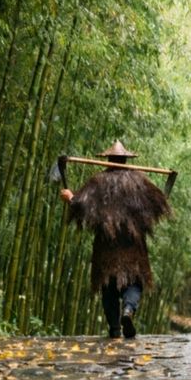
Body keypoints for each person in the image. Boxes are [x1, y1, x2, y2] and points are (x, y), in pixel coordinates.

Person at [59, 139, 171, 339]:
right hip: (134, 246)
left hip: (106, 247)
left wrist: (70, 198)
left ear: (108, 160)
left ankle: (114, 330)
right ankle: (128, 310)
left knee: (108, 288)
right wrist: (169, 185)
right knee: (135, 283)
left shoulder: (98, 182)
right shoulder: (140, 182)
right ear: (125, 160)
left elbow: (82, 206)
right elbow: (160, 203)